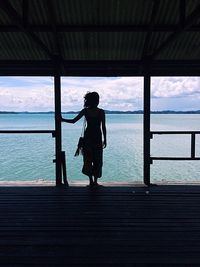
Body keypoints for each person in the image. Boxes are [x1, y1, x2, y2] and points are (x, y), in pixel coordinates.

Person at [61, 92, 107, 187]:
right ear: (95, 101)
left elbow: (73, 121)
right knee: (97, 160)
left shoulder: (85, 111)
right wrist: (105, 139)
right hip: (97, 139)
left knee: (88, 160)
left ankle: (91, 182)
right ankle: (94, 182)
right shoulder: (101, 112)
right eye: (97, 99)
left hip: (88, 139)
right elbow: (103, 127)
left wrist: (62, 119)